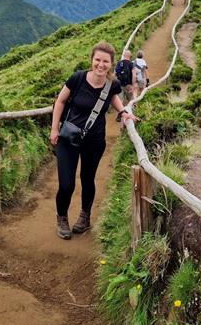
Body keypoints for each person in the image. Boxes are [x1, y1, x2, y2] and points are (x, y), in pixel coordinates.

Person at [50, 42, 138, 240]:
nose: (101, 64)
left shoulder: (112, 84)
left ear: (111, 64)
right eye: (97, 60)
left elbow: (112, 98)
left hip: (94, 141)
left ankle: (85, 216)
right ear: (91, 60)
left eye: (105, 61)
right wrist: (55, 128)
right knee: (66, 184)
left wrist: (124, 111)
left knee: (88, 179)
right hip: (68, 138)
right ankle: (62, 217)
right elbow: (61, 101)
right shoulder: (77, 78)